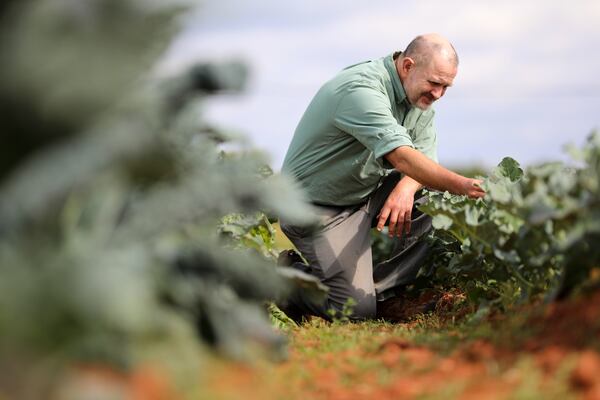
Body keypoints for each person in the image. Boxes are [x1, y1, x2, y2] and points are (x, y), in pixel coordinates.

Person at [279, 33, 485, 322]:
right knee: (354, 310)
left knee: (436, 197)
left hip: (363, 193)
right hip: (316, 208)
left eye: (446, 86)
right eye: (434, 83)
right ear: (407, 66)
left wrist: (405, 188)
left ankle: (381, 293)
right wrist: (464, 185)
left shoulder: (420, 100)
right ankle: (286, 280)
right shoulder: (360, 89)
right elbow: (401, 157)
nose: (438, 94)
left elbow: (424, 159)